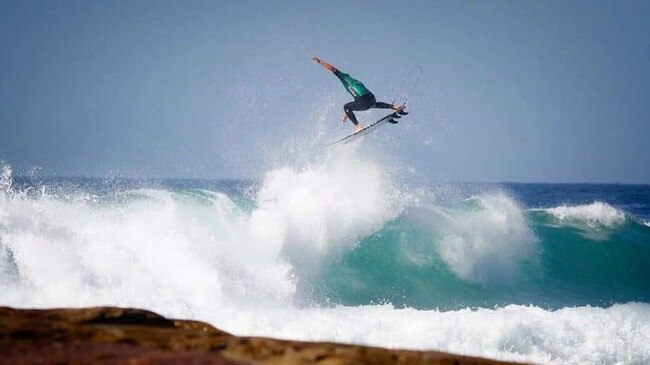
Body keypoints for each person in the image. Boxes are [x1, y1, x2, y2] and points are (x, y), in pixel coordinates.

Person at [312, 56, 402, 132]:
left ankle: (358, 126)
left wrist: (320, 62)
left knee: (346, 107)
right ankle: (394, 106)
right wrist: (347, 114)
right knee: (373, 104)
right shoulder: (356, 82)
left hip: (363, 101)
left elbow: (333, 69)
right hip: (371, 98)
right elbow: (358, 101)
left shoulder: (344, 77)